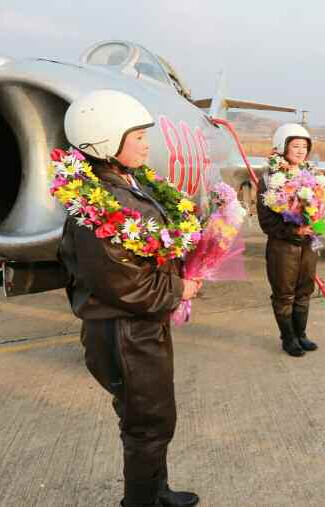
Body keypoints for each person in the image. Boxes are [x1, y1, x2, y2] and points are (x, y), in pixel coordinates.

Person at [57, 90, 202, 506]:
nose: (146, 143)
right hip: (126, 332)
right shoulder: (104, 206)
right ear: (104, 141)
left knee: (149, 420)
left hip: (137, 329)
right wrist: (181, 289)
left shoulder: (124, 185)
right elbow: (126, 286)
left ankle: (155, 491)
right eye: (137, 135)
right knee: (148, 425)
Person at [256, 123, 321, 357]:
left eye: (305, 146)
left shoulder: (313, 177)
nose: (301, 150)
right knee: (284, 294)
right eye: (295, 146)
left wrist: (318, 221)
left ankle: (301, 334)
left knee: (305, 290)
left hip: (308, 247)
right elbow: (267, 222)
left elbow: (320, 207)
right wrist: (294, 232)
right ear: (283, 147)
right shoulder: (269, 180)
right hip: (283, 247)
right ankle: (288, 338)